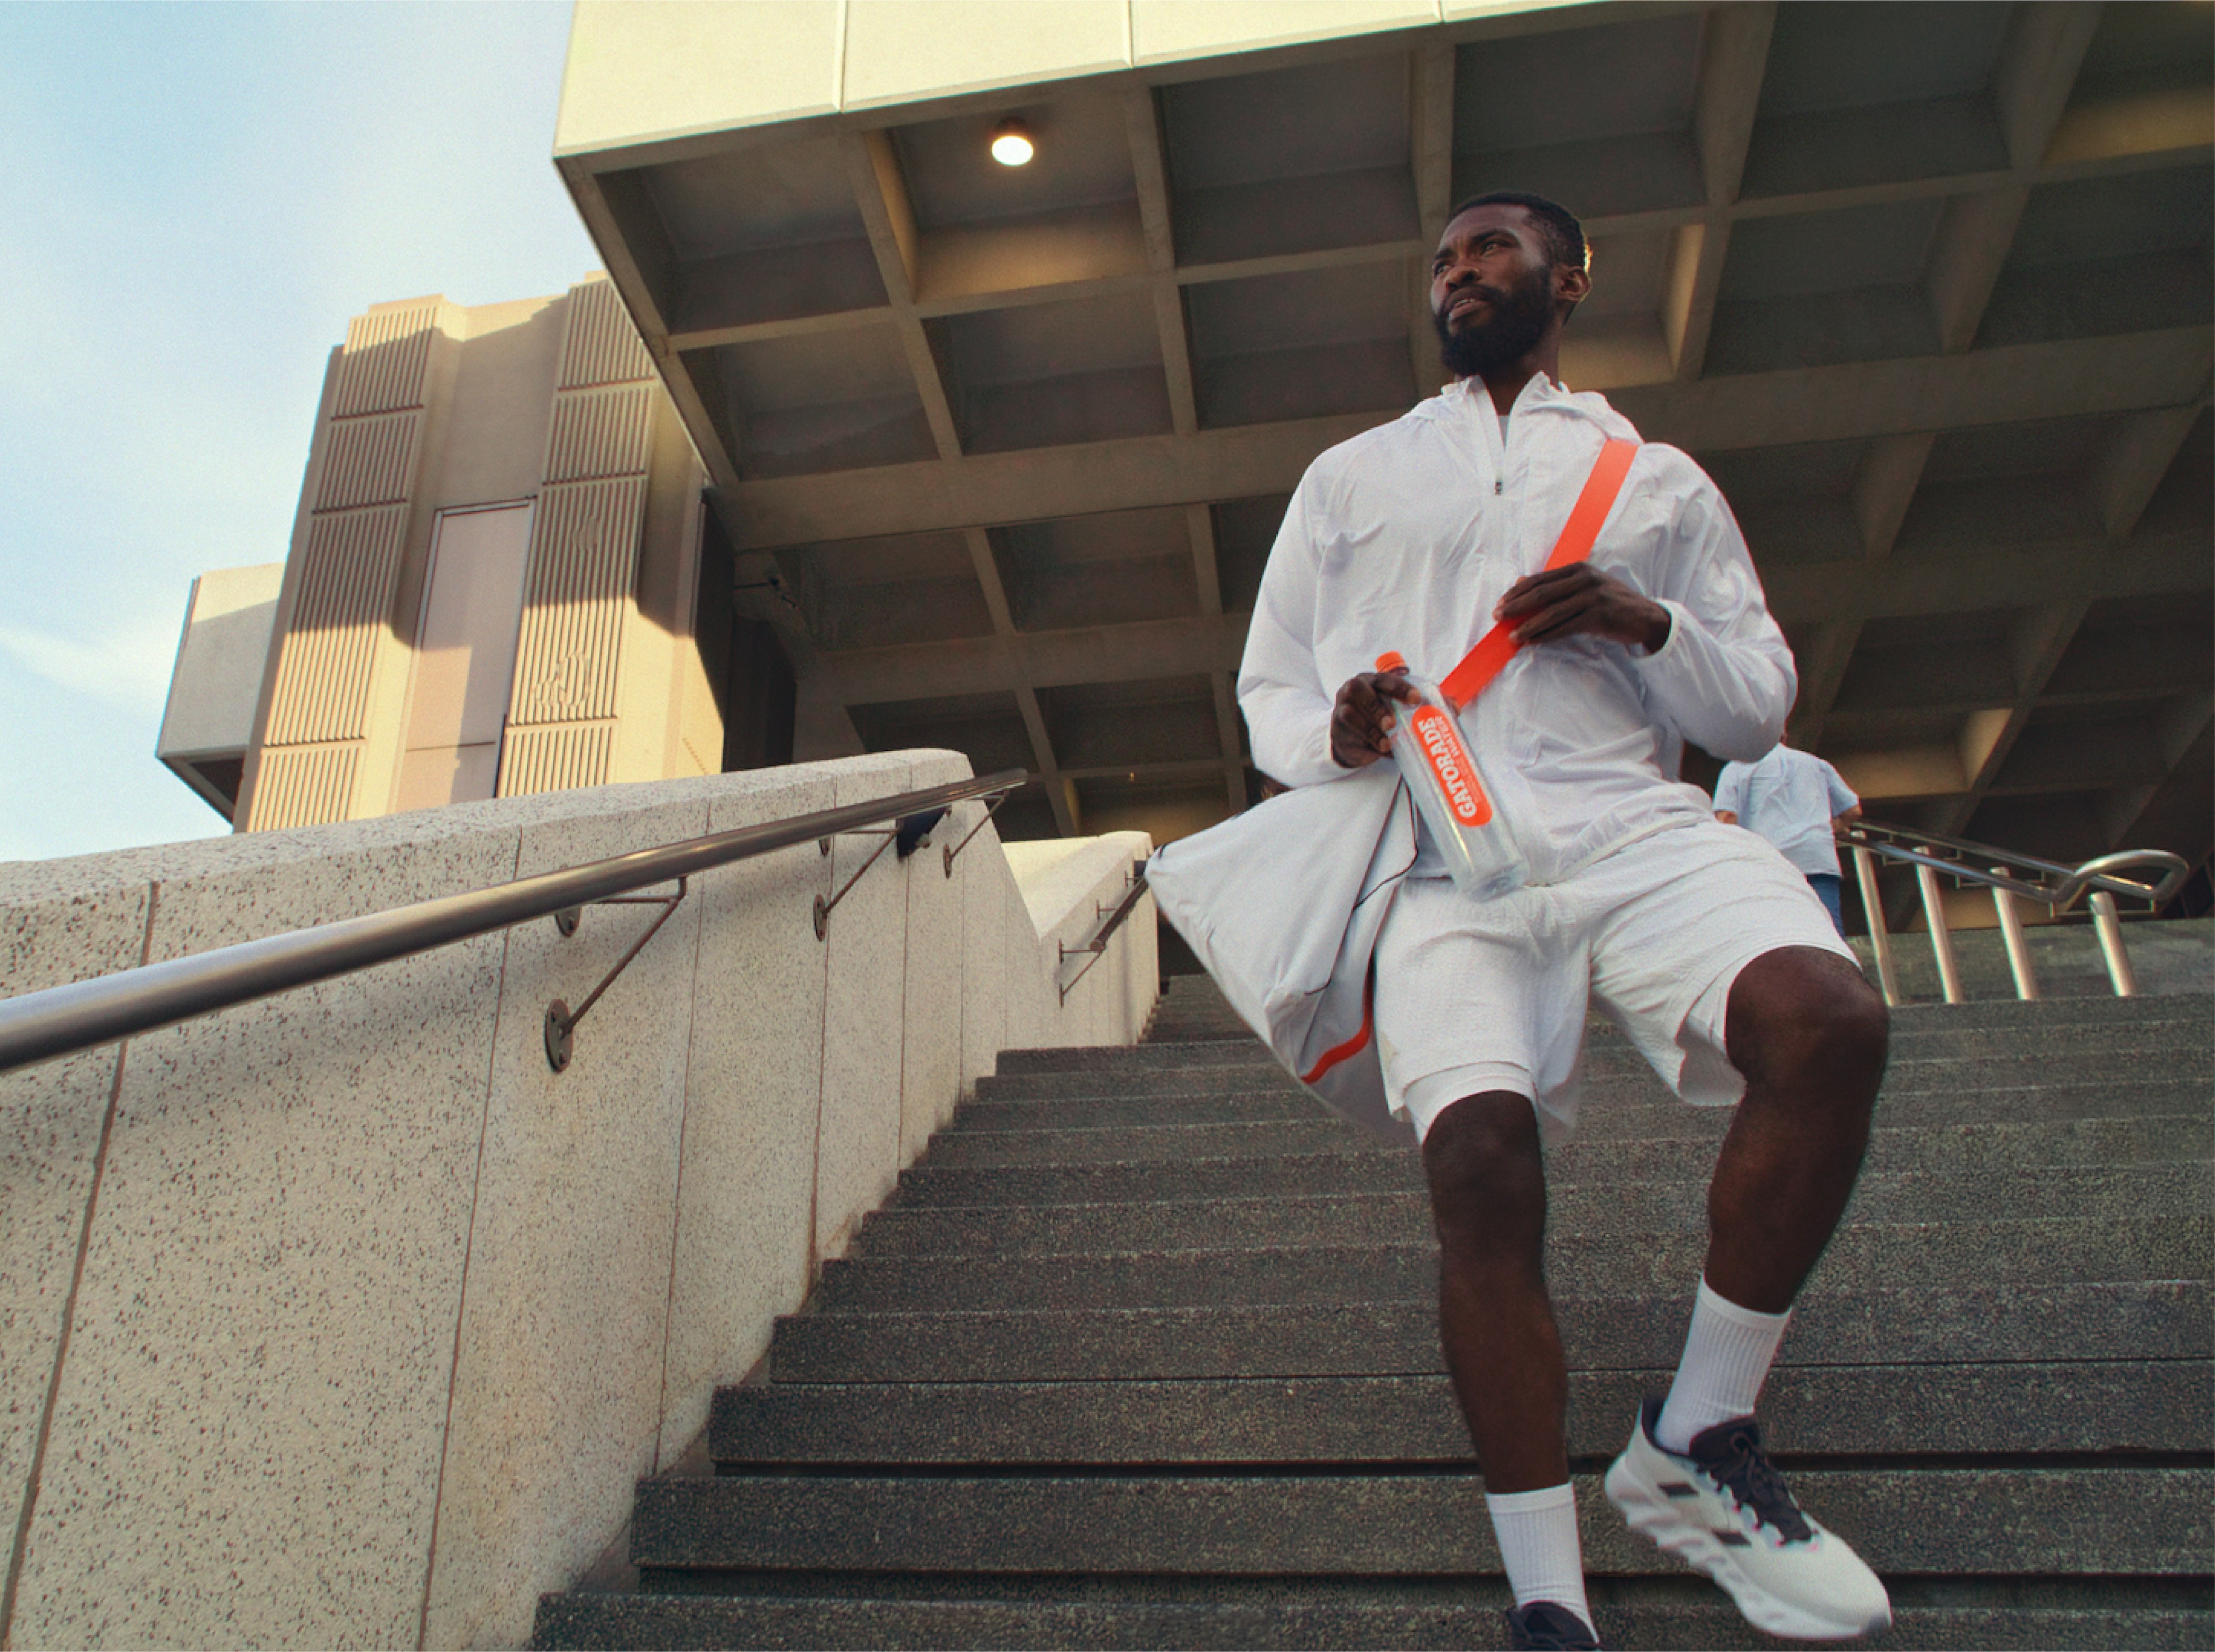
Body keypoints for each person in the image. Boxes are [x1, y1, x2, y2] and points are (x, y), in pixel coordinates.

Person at [1237, 192, 1893, 1651]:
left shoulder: (1652, 480)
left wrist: (1641, 619)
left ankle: (1700, 1431)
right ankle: (1549, 1597)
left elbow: (1755, 704)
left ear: (1570, 279)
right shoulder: (1351, 474)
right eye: (1442, 258)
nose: (1459, 271)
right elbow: (1268, 683)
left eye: (1491, 248)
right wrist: (1329, 730)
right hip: (1434, 850)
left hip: (1628, 823)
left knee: (1829, 1019)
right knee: (1478, 1164)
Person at [1714, 744, 1864, 936]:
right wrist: (1832, 828)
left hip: (1768, 863)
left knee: (1776, 932)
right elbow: (1852, 810)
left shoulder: (1738, 767)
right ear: (1784, 736)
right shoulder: (1816, 764)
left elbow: (1727, 818)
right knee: (1828, 929)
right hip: (1817, 858)